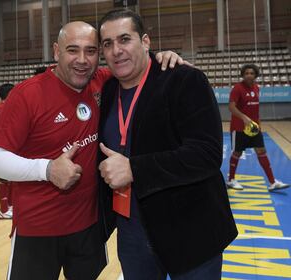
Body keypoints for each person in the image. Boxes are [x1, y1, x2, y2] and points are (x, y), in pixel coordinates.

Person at [0, 21, 185, 280]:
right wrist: (47, 169)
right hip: (37, 230)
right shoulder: (27, 94)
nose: (82, 60)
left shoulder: (102, 82)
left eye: (90, 51)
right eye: (72, 50)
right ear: (56, 51)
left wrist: (161, 58)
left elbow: (135, 63)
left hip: (89, 227)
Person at [97, 9, 238, 279]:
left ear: (146, 42)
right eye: (108, 43)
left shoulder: (184, 79)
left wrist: (135, 169)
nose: (116, 50)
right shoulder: (108, 89)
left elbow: (206, 154)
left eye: (124, 39)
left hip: (190, 232)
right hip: (132, 235)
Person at [226, 64, 289, 191]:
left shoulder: (256, 88)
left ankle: (272, 182)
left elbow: (255, 109)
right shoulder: (237, 88)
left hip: (254, 128)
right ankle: (231, 180)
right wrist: (244, 118)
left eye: (251, 73)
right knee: (237, 153)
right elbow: (231, 107)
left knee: (261, 151)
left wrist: (258, 125)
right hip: (239, 128)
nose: (249, 75)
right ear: (243, 75)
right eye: (246, 73)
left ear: (255, 75)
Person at [0, 83, 14, 219]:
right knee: (4, 180)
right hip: (2, 148)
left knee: (11, 179)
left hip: (11, 147)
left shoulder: (11, 106)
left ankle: (10, 205)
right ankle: (4, 210)